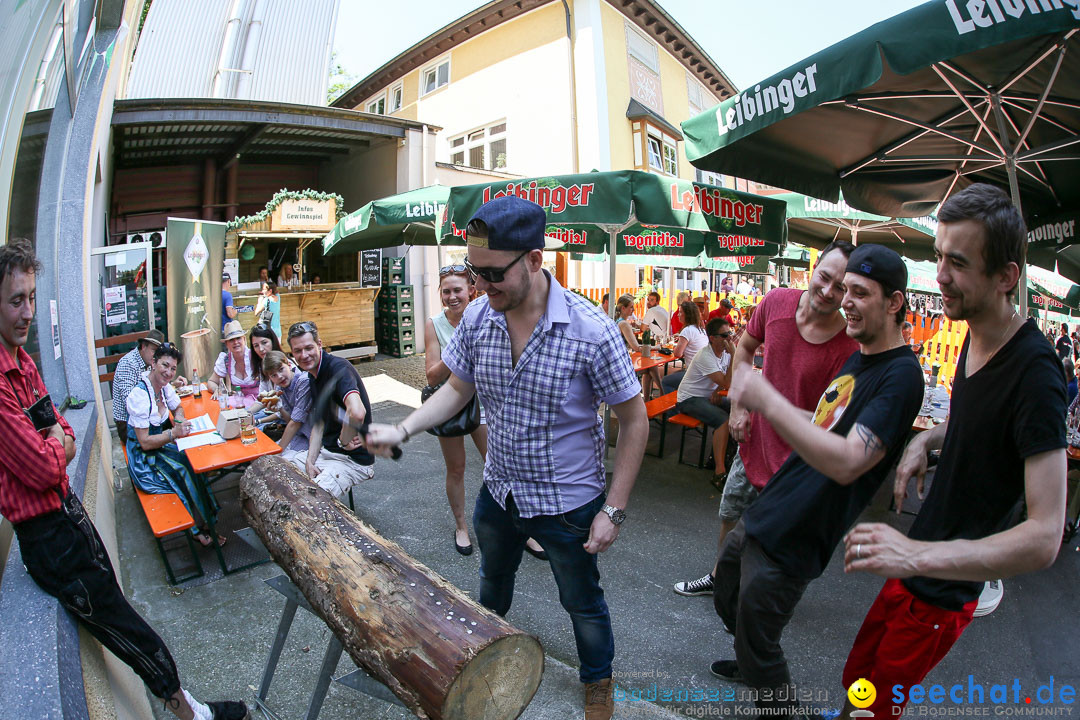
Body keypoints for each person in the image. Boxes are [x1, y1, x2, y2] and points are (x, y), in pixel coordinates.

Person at [365, 196, 648, 720]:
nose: (481, 285)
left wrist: (614, 509)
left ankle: (598, 687)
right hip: (499, 495)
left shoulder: (592, 329)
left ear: (535, 260)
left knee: (582, 604)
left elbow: (635, 420)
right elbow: (456, 389)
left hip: (568, 504)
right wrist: (404, 427)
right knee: (492, 587)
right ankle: (477, 666)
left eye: (493, 274)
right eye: (475, 271)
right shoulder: (477, 315)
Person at [840, 184, 1067, 719]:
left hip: (943, 587)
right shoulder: (974, 330)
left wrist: (914, 555)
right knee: (856, 685)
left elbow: (1045, 536)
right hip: (913, 560)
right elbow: (980, 423)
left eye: (958, 262)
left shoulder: (1036, 373)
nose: (940, 274)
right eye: (940, 255)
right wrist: (928, 439)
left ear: (1006, 277)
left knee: (874, 710)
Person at [0, 239, 247, 720]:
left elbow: (63, 431)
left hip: (66, 515)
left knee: (120, 606)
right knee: (125, 625)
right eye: (16, 300)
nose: (28, 311)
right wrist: (57, 442)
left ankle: (186, 704)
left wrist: (56, 439)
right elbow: (46, 464)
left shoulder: (23, 361)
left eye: (32, 297)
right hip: (47, 537)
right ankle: (191, 713)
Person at [711, 245, 923, 718]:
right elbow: (826, 423)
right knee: (728, 588)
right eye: (844, 288)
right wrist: (769, 407)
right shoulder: (861, 356)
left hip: (803, 527)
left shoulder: (901, 376)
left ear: (894, 302)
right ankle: (750, 660)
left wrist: (766, 398)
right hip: (772, 507)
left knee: (760, 636)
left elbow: (850, 460)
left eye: (860, 292)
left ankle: (772, 692)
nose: (844, 300)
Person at [673, 240, 857, 598]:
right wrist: (740, 406)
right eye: (825, 277)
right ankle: (720, 577)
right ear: (814, 268)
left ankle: (758, 599)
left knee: (775, 538)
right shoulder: (777, 303)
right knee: (731, 512)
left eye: (842, 287)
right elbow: (744, 348)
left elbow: (828, 421)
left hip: (797, 461)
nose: (828, 290)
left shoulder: (847, 347)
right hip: (754, 439)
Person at [126, 343, 224, 548]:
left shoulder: (163, 388)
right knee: (183, 470)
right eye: (165, 365)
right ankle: (197, 528)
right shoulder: (139, 395)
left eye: (172, 368)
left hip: (159, 446)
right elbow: (144, 443)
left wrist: (178, 419)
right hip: (144, 459)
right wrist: (173, 433)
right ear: (153, 363)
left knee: (192, 461)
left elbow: (178, 406)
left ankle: (207, 518)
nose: (169, 372)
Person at [287, 321, 376, 499]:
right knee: (279, 467)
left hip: (352, 461)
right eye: (298, 351)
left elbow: (357, 412)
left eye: (308, 348)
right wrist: (310, 462)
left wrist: (344, 440)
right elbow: (319, 425)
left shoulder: (338, 368)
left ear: (319, 344)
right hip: (326, 455)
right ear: (292, 353)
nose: (304, 355)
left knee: (312, 503)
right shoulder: (313, 375)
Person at [675, 317, 735, 484]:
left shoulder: (724, 354)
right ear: (712, 338)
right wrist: (735, 354)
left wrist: (718, 390)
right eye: (724, 335)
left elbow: (730, 378)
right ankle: (719, 472)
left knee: (740, 409)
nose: (729, 339)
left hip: (706, 396)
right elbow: (727, 382)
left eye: (729, 333)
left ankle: (721, 458)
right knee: (723, 421)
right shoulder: (706, 355)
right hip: (689, 399)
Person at [262, 350, 313, 468]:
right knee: (263, 458)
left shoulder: (303, 381)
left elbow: (296, 423)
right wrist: (280, 408)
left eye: (281, 369)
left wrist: (278, 452)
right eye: (273, 375)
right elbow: (289, 419)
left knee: (279, 465)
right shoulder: (281, 387)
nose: (279, 376)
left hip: (313, 438)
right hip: (300, 435)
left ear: (289, 365)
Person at [112, 328, 165, 442]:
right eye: (153, 350)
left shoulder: (150, 361)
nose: (156, 355)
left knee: (179, 423)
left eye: (158, 353)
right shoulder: (128, 363)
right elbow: (130, 403)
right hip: (128, 424)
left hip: (146, 416)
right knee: (172, 431)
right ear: (143, 346)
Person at [616, 294, 662, 399]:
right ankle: (661, 393)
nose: (633, 309)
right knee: (651, 365)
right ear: (623, 308)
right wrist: (655, 347)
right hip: (623, 362)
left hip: (621, 358)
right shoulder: (624, 324)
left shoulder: (619, 321)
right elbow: (636, 347)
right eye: (631, 307)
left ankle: (648, 398)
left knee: (650, 367)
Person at [660, 300, 708, 395]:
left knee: (665, 381)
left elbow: (678, 354)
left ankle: (673, 409)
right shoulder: (700, 329)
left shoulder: (687, 330)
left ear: (687, 314)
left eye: (681, 312)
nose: (678, 314)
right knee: (675, 375)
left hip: (695, 374)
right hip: (705, 372)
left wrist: (673, 347)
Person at [207, 321, 260, 406]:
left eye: (238, 338)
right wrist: (217, 389)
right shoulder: (225, 360)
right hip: (241, 401)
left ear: (244, 339)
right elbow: (211, 381)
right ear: (227, 344)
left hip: (261, 401)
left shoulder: (256, 355)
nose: (235, 342)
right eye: (231, 340)